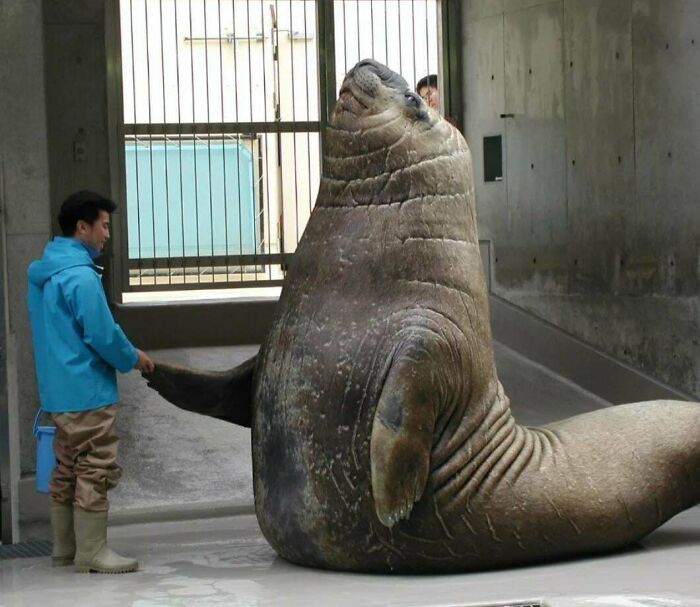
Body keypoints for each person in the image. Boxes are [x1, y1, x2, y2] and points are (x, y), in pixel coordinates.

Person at [27, 190, 155, 574]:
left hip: (57, 390)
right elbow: (102, 334)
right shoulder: (80, 278)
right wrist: (134, 357)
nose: (107, 235)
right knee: (95, 465)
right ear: (82, 228)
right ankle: (92, 551)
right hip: (86, 390)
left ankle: (64, 549)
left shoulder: (44, 274)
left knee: (67, 466)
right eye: (103, 226)